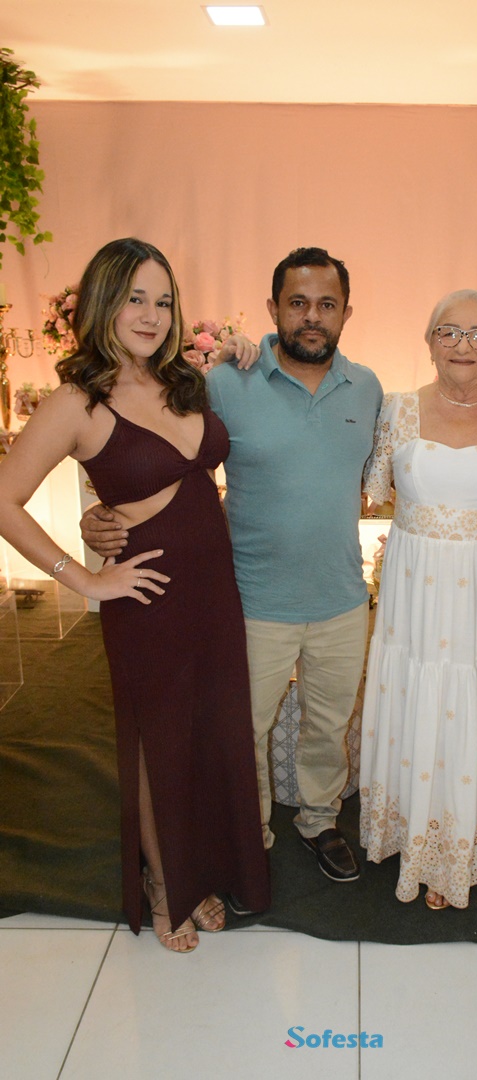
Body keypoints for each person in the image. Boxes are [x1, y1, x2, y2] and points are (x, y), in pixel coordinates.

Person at [0, 238, 270, 952]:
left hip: (214, 588)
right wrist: (86, 577)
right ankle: (163, 882)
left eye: (163, 301)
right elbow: (4, 499)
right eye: (134, 299)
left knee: (211, 727)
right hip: (145, 595)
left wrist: (243, 350)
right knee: (158, 739)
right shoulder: (76, 401)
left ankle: (203, 866)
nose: (151, 315)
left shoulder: (184, 380)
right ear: (103, 304)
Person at [82, 247, 384, 885]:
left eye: (326, 304)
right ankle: (252, 834)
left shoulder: (368, 387)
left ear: (347, 313)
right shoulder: (224, 383)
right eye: (297, 302)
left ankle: (320, 819)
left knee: (330, 725)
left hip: (340, 596)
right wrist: (104, 514)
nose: (312, 316)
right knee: (241, 731)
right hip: (251, 600)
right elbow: (162, 459)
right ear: (273, 308)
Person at [359, 290, 477, 910]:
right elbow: (369, 489)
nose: (463, 345)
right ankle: (410, 831)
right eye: (449, 331)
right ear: (429, 340)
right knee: (417, 691)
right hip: (416, 591)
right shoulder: (397, 410)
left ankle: (464, 842)